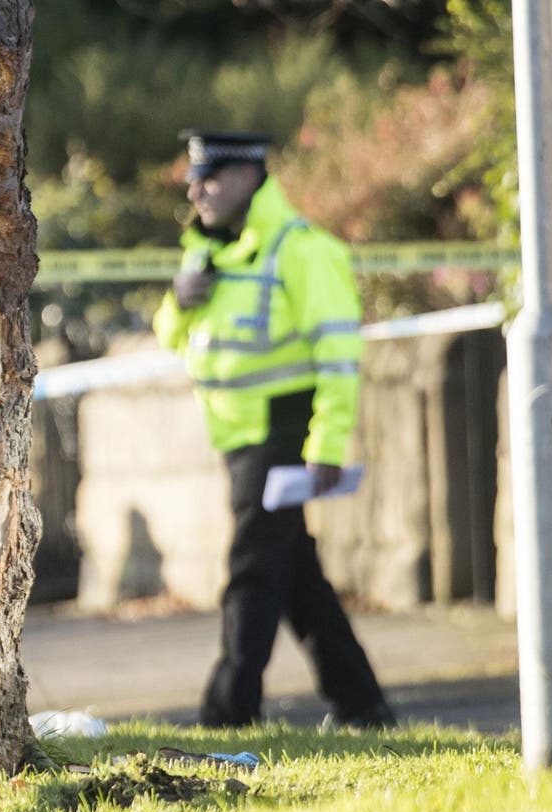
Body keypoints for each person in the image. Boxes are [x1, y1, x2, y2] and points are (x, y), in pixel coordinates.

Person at [153, 130, 395, 729]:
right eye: (192, 174)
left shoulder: (302, 250)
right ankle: (364, 706)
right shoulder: (207, 249)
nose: (195, 187)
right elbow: (171, 336)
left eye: (208, 175)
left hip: (282, 432)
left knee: (253, 572)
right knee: (296, 580)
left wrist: (327, 444)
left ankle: (228, 713)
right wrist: (179, 302)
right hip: (237, 440)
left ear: (249, 175)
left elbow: (340, 357)